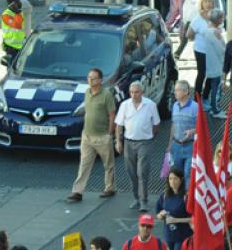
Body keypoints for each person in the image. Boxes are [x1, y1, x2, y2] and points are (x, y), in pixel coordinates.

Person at [68, 68, 118, 201]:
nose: (90, 80)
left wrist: (109, 133)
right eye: (89, 77)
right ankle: (77, 191)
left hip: (102, 136)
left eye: (93, 78)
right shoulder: (86, 92)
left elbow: (112, 114)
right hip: (87, 136)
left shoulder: (107, 94)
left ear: (100, 80)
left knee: (108, 165)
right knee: (84, 164)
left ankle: (110, 188)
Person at [115, 82, 162, 210]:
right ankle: (136, 198)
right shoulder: (125, 105)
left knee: (142, 172)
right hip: (128, 142)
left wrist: (150, 137)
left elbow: (156, 124)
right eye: (131, 92)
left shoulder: (150, 105)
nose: (134, 95)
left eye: (136, 92)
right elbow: (119, 124)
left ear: (142, 92)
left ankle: (143, 200)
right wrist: (118, 141)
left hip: (144, 143)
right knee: (131, 172)